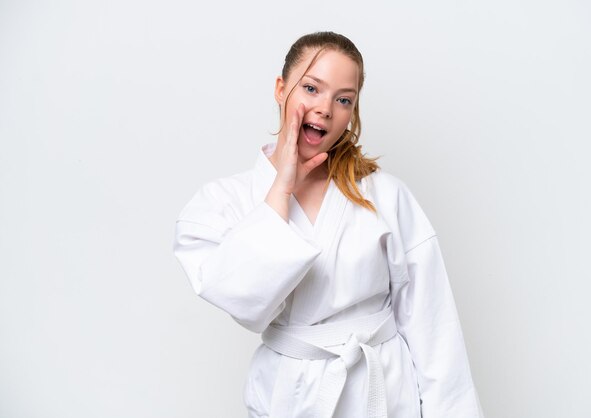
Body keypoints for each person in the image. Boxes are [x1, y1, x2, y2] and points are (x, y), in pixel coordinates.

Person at [173, 31, 484, 418]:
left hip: (383, 392)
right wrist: (282, 188)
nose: (325, 109)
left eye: (343, 100)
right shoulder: (219, 203)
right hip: (288, 395)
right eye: (311, 88)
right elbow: (245, 302)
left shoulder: (385, 195)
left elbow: (434, 328)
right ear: (280, 88)